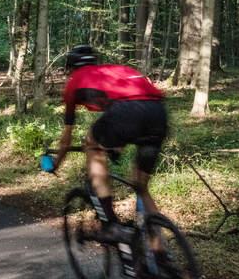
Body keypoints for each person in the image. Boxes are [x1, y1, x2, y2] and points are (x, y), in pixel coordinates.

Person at [49, 44, 168, 243]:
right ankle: (161, 253)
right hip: (158, 112)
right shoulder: (115, 71)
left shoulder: (74, 82)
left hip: (126, 112)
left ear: (71, 68)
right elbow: (128, 109)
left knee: (91, 144)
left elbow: (66, 139)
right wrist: (116, 144)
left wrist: (56, 163)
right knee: (140, 186)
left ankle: (110, 225)